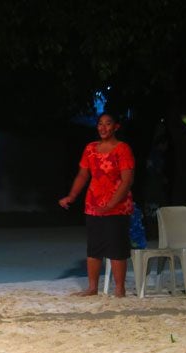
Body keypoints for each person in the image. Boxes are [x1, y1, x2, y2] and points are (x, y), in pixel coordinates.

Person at [59, 112, 135, 297]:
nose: (103, 127)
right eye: (100, 124)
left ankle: (119, 289)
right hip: (93, 205)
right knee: (94, 247)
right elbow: (83, 175)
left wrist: (111, 204)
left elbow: (127, 181)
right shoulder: (90, 149)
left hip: (117, 207)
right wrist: (72, 195)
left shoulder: (122, 149)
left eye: (108, 124)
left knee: (117, 248)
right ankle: (92, 288)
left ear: (116, 126)